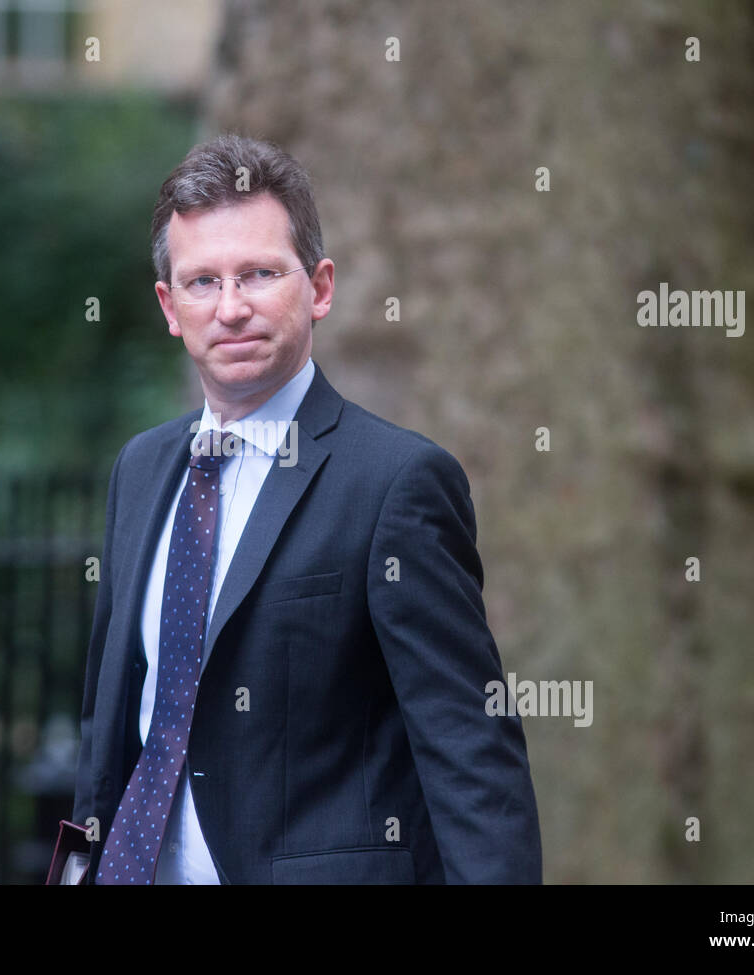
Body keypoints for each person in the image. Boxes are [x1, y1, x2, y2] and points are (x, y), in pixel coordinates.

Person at [70, 133, 541, 884]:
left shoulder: (396, 482)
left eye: (259, 274)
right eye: (202, 282)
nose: (230, 308)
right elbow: (112, 720)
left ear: (319, 286)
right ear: (169, 305)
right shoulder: (141, 469)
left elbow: (468, 746)